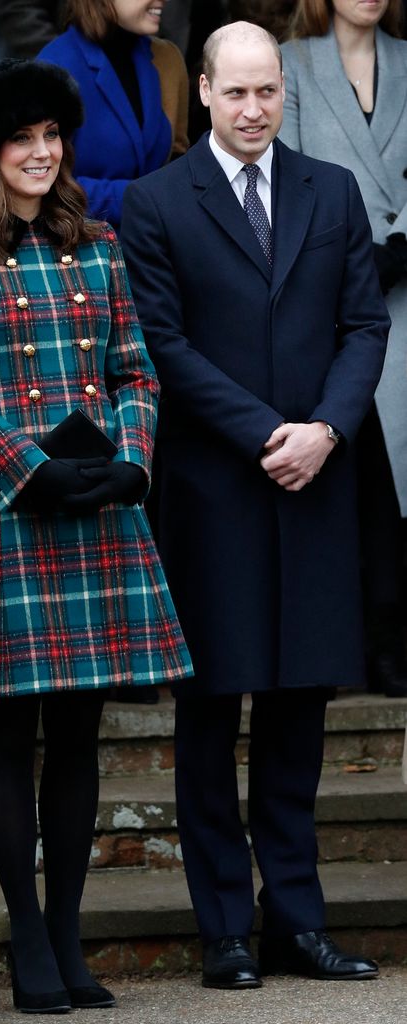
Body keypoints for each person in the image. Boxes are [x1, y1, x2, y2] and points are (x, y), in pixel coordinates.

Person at [121, 20, 389, 989]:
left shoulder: (333, 191)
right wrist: (264, 433)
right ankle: (224, 929)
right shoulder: (155, 203)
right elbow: (162, 344)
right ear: (201, 92)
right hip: (214, 493)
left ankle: (297, 921)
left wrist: (323, 428)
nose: (251, 110)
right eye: (233, 93)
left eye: (266, 92)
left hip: (317, 484)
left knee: (297, 719)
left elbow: (363, 324)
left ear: (284, 90)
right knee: (207, 719)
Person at [0, 58, 192, 1014]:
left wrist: (131, 457)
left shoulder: (100, 247)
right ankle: (28, 941)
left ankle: (71, 936)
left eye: (53, 138)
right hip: (9, 514)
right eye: (23, 140)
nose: (43, 154)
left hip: (97, 510)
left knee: (80, 735)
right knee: (11, 735)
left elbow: (136, 370)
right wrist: (27, 470)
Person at [280, 0, 407, 697]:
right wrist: (356, 256)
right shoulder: (291, 65)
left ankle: (389, 641)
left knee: (396, 481)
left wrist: (398, 245)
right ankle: (336, 641)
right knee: (338, 469)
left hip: (403, 281)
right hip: (322, 286)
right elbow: (289, 167)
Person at [36, 0, 189, 231]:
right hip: (83, 249)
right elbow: (44, 186)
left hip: (156, 246)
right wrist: (143, 198)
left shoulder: (166, 58)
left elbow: (178, 156)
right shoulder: (53, 67)